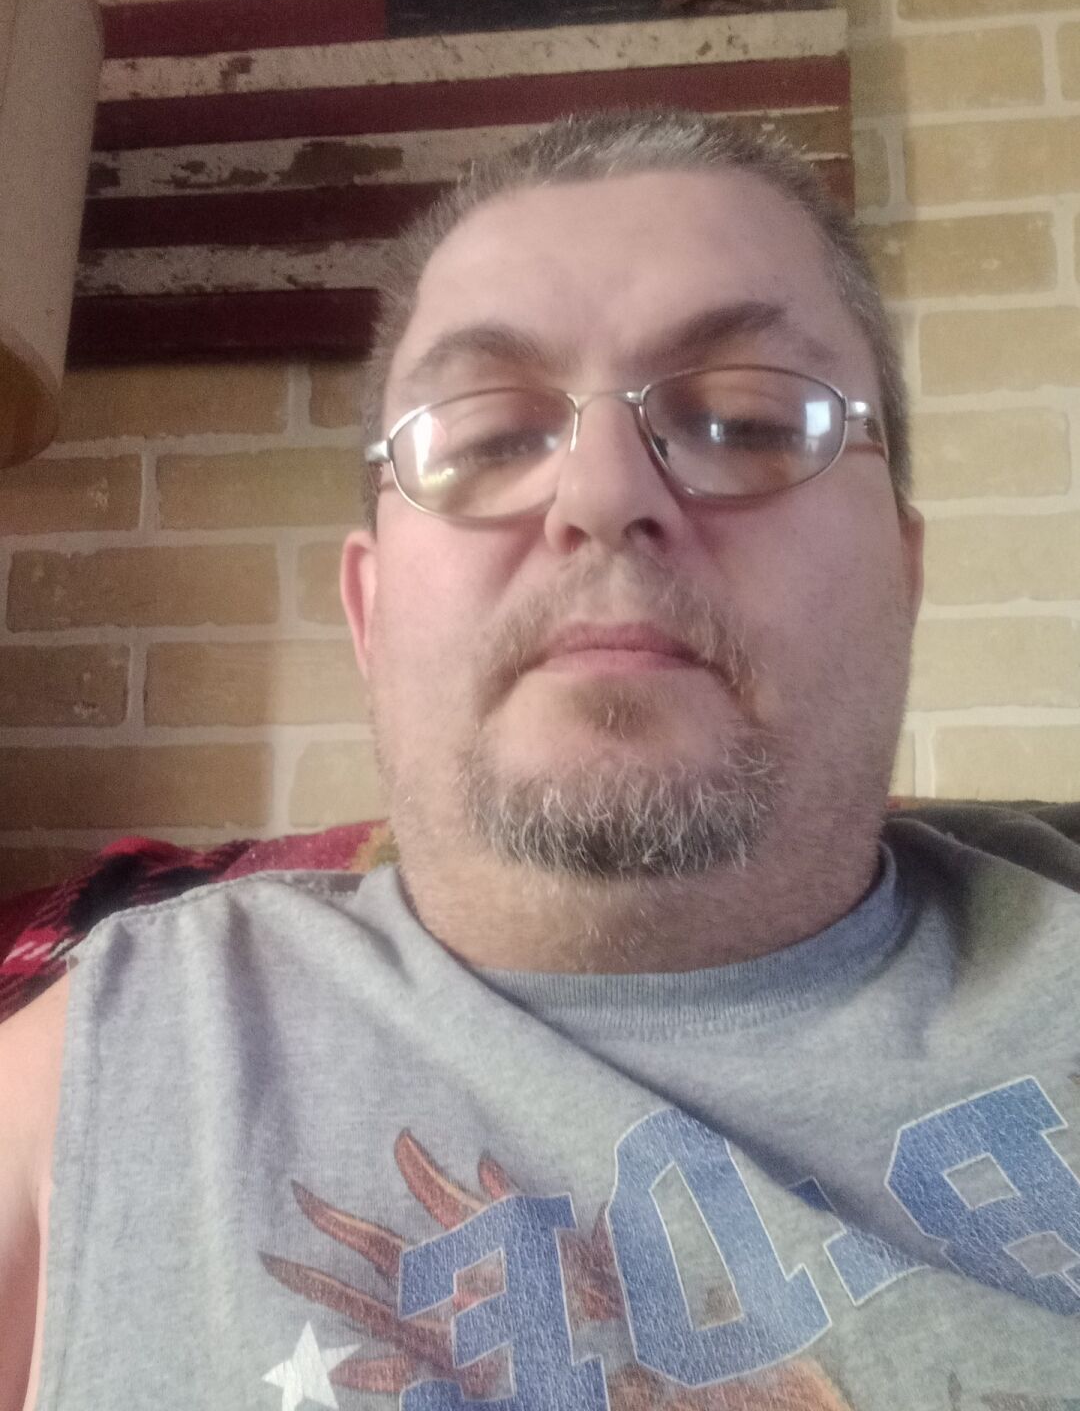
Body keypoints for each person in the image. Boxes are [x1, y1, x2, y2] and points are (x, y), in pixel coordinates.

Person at [1, 108, 1078, 1410]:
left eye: (746, 419)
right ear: (369, 611)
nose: (602, 495)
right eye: (489, 438)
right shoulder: (111, 1061)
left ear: (903, 574)